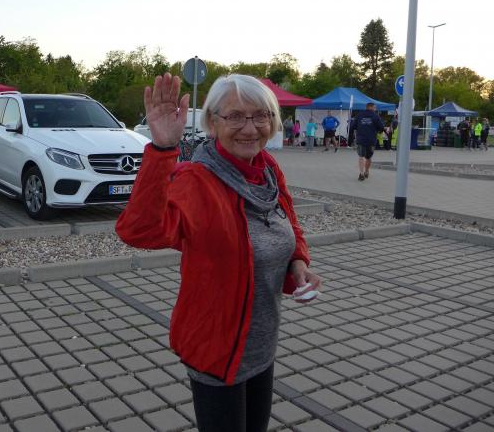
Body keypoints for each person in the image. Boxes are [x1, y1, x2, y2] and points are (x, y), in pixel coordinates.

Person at [117, 73, 321, 432]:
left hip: (261, 345)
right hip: (215, 350)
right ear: (212, 123)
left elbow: (288, 223)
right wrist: (162, 150)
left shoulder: (267, 169)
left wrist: (298, 263)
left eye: (261, 115)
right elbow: (139, 231)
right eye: (235, 116)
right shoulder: (197, 181)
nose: (250, 128)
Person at [349, 102, 385, 181]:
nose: (375, 109)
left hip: (361, 139)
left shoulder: (359, 115)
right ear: (371, 107)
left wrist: (359, 129)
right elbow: (381, 127)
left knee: (361, 156)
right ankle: (366, 171)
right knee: (368, 157)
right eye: (375, 107)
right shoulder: (375, 116)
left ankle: (361, 174)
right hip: (371, 140)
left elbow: (352, 126)